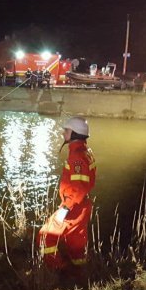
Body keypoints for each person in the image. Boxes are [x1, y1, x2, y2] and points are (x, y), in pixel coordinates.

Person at [39, 117, 96, 275]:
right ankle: (79, 270)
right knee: (75, 241)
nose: (63, 133)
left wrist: (65, 208)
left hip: (73, 207)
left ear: (75, 133)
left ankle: (58, 270)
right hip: (82, 205)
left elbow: (77, 187)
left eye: (67, 130)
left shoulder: (77, 156)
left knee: (46, 236)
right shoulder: (85, 151)